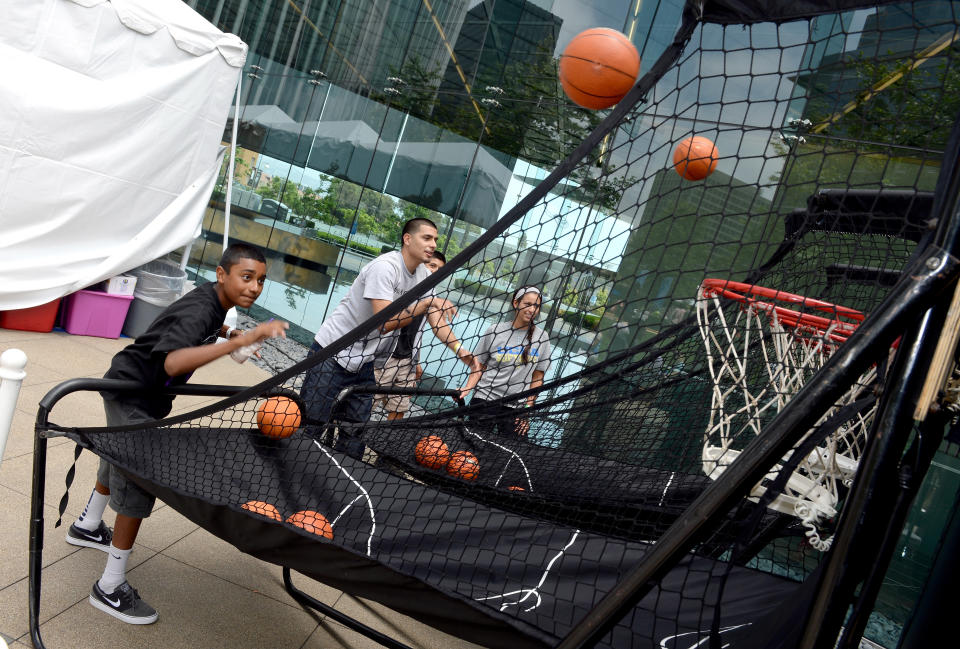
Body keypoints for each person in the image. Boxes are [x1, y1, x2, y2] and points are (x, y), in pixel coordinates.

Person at [65, 243, 288, 625]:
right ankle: (110, 586)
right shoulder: (203, 306)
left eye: (261, 281)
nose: (254, 287)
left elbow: (200, 324)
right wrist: (239, 342)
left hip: (130, 386)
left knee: (117, 460)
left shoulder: (211, 302)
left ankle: (86, 525)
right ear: (222, 274)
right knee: (137, 480)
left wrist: (230, 330)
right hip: (134, 393)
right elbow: (172, 360)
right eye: (246, 277)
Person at [302, 218, 476, 457]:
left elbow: (437, 322)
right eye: (427, 238)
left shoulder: (426, 276)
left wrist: (460, 350)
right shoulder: (385, 267)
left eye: (435, 239)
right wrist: (425, 304)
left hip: (364, 361)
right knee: (311, 425)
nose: (433, 244)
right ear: (407, 239)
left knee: (355, 434)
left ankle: (339, 482)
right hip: (332, 352)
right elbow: (385, 322)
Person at [459, 286, 551, 437]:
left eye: (536, 306)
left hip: (517, 407)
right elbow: (478, 366)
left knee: (511, 453)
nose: (532, 309)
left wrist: (527, 408)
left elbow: (538, 377)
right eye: (527, 304)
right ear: (516, 303)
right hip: (485, 399)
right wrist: (467, 388)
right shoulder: (495, 330)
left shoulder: (542, 337)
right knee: (473, 446)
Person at [374, 250, 450, 420]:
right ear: (421, 265)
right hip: (383, 357)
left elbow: (419, 332)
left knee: (399, 408)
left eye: (440, 270)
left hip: (407, 361)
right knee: (366, 404)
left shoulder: (432, 295)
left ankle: (384, 441)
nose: (434, 272)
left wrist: (417, 360)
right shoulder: (402, 285)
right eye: (432, 266)